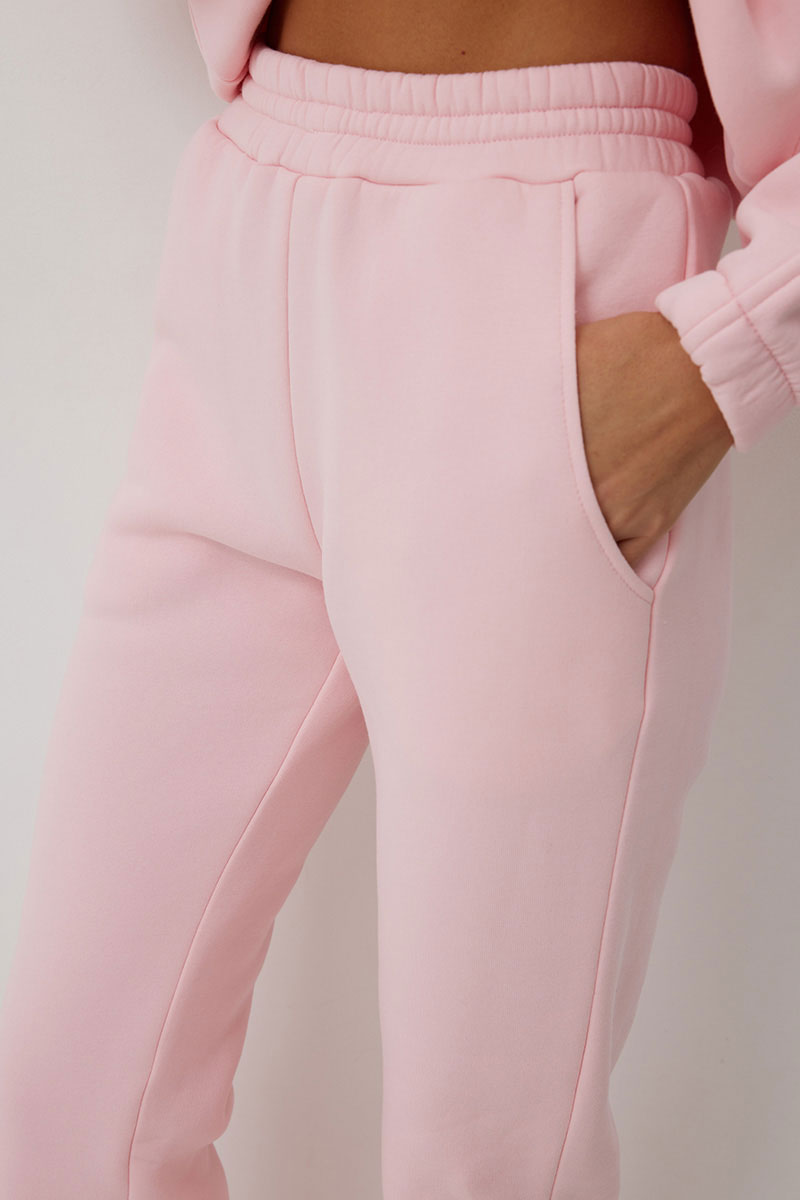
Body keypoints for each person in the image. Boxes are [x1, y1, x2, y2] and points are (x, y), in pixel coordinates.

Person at [0, 1, 797, 1197]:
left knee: (481, 1165)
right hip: (245, 240)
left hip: (550, 267)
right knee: (70, 1108)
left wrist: (727, 350)